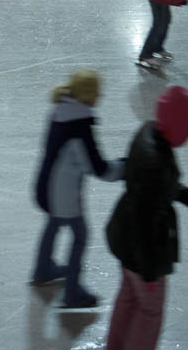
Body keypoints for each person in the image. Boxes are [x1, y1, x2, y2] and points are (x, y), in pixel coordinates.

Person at [105, 85, 188, 350]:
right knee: (150, 309)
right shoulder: (156, 162)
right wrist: (149, 268)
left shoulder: (148, 132)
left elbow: (161, 188)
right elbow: (147, 213)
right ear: (179, 125)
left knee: (128, 296)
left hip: (123, 237)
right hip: (143, 250)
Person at [32, 70, 124, 307]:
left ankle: (42, 269)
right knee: (81, 236)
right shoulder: (79, 127)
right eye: (97, 91)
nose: (100, 95)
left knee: (53, 225)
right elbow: (98, 168)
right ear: (88, 95)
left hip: (45, 185)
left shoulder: (59, 111)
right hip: (64, 194)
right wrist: (125, 167)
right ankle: (72, 291)